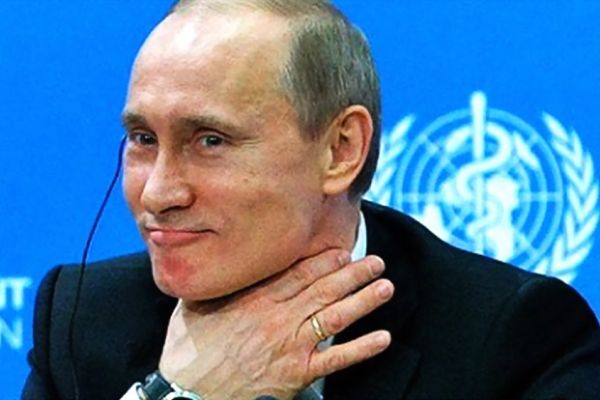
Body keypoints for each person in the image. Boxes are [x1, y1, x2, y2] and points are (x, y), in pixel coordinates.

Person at [22, 1, 600, 399]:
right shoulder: (83, 316)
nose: (158, 192)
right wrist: (178, 393)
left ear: (340, 149)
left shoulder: (510, 338)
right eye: (143, 139)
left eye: (211, 140)